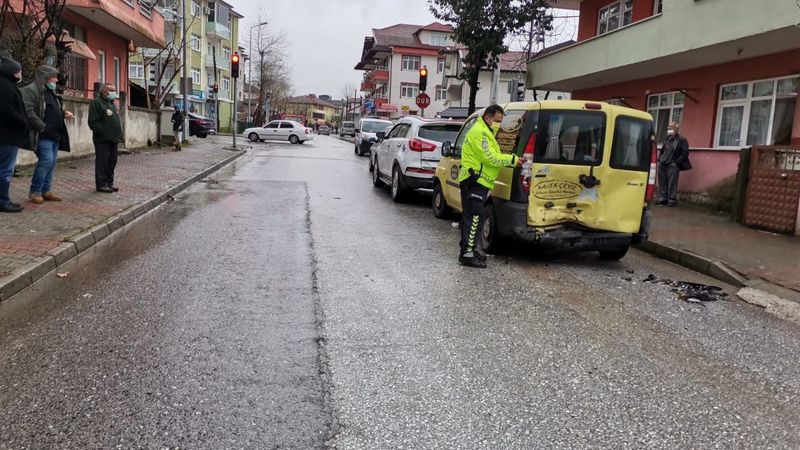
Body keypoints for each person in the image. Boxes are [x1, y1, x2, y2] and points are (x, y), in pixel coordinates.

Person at [457, 104, 523, 268]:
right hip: (475, 181)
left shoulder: (486, 132)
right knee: (474, 218)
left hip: (477, 181)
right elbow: (490, 158)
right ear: (487, 117)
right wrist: (513, 160)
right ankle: (467, 254)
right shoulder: (480, 132)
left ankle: (468, 250)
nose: (498, 124)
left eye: (500, 121)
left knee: (471, 218)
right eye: (496, 120)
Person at [21, 65, 72, 204]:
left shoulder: (51, 92)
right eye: (53, 77)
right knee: (46, 162)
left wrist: (63, 113)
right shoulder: (32, 90)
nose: (56, 80)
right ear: (44, 77)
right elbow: (28, 111)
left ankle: (46, 191)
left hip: (55, 135)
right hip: (43, 135)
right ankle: (35, 191)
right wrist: (43, 128)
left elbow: (52, 109)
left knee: (52, 163)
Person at [0, 56, 28, 213]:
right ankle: (3, 201)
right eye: (18, 71)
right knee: (5, 170)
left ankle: (4, 199)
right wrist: (22, 122)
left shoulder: (8, 85)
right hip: (7, 136)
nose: (20, 74)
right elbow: (6, 110)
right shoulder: (5, 87)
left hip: (8, 136)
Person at [88, 83, 124, 193]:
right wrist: (103, 132)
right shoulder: (96, 103)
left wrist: (120, 135)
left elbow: (117, 122)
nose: (114, 92)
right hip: (102, 140)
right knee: (102, 163)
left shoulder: (113, 104)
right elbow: (93, 122)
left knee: (112, 163)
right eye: (111, 90)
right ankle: (101, 184)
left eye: (114, 90)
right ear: (104, 91)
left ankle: (109, 183)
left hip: (114, 139)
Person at [657, 122, 690, 206]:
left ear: (676, 129)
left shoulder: (682, 139)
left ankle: (672, 199)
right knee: (662, 182)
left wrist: (676, 162)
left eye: (670, 128)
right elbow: (662, 150)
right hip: (663, 164)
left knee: (672, 182)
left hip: (672, 164)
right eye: (668, 128)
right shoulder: (667, 138)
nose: (669, 130)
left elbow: (685, 153)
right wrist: (660, 159)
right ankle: (663, 199)